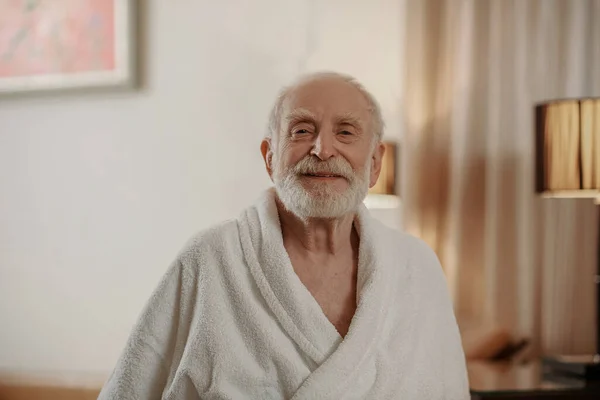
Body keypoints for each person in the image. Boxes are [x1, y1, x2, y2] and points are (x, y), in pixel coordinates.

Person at [98, 72, 469, 399]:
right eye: (302, 130)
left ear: (374, 163)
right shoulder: (210, 258)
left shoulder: (417, 267)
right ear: (269, 156)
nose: (323, 150)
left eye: (345, 131)